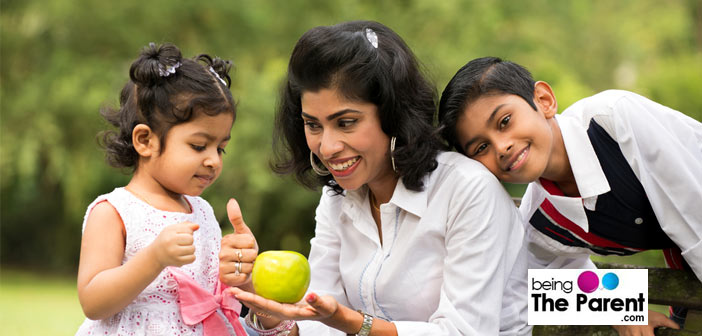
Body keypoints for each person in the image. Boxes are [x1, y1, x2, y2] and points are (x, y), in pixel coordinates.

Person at [219, 21, 530, 336]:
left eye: (346, 122)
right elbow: (316, 317)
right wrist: (257, 297)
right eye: (313, 125)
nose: (327, 146)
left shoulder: (467, 190)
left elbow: (464, 332)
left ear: (393, 115)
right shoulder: (337, 199)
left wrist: (354, 324)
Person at [437, 56, 702, 335]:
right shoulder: (539, 220)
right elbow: (534, 284)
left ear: (544, 100)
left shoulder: (614, 121)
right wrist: (624, 308)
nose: (501, 147)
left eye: (504, 121)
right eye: (481, 148)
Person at [76, 42, 250, 336]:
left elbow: (207, 288)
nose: (212, 160)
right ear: (145, 140)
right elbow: (93, 301)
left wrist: (234, 268)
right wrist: (154, 257)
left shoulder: (202, 211)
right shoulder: (113, 212)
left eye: (221, 149)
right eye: (198, 146)